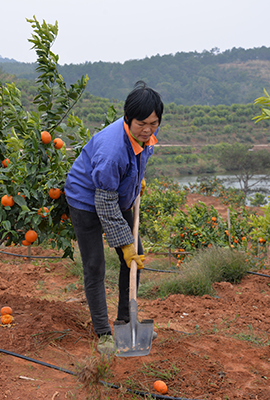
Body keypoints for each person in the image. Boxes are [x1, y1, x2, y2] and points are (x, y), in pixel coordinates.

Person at [64, 81, 163, 354]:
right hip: (85, 198)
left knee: (134, 257)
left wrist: (135, 182)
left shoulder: (146, 137)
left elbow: (136, 161)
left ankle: (124, 319)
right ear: (127, 119)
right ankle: (104, 333)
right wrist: (124, 243)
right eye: (142, 123)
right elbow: (104, 205)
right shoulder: (111, 151)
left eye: (153, 123)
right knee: (95, 264)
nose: (148, 129)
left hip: (113, 193)